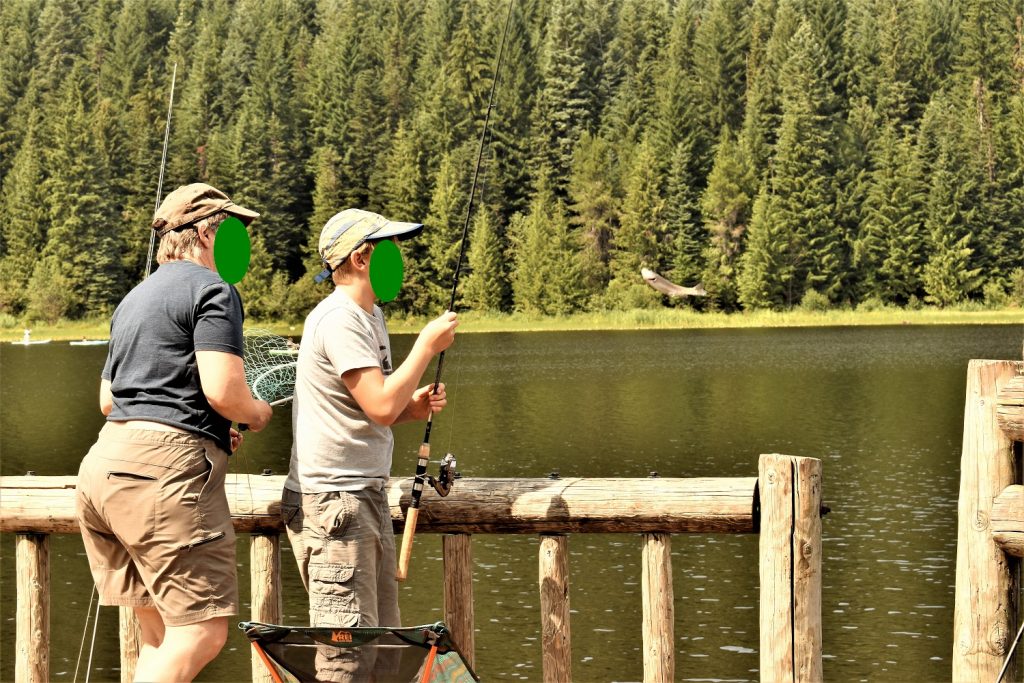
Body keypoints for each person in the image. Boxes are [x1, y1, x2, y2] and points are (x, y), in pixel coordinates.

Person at [75, 183, 274, 682]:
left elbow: (109, 400)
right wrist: (255, 414)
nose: (238, 245)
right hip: (164, 476)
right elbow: (224, 390)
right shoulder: (213, 290)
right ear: (208, 233)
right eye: (232, 232)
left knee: (159, 637)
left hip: (104, 469)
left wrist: (205, 426)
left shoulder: (133, 299)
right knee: (201, 633)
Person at [282, 208, 458, 681]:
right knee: (347, 658)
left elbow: (373, 404)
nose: (399, 260)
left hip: (363, 498)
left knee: (382, 650)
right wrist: (425, 347)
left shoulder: (369, 314)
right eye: (390, 249)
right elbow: (379, 406)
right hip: (334, 506)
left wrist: (413, 408)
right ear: (361, 258)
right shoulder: (339, 319)